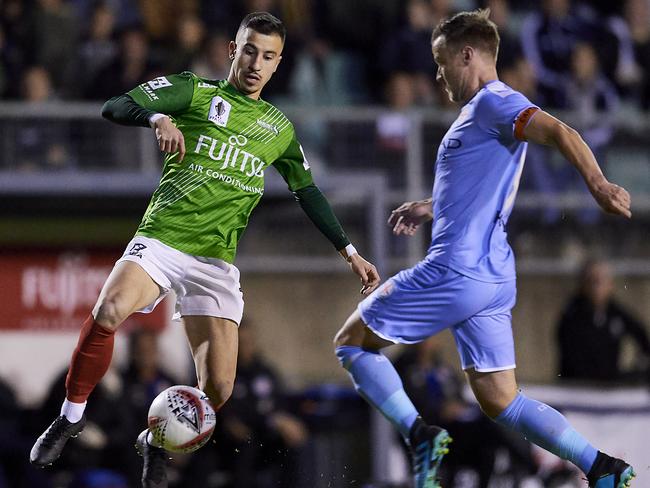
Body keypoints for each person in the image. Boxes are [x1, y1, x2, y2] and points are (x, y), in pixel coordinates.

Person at [29, 11, 380, 488]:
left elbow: (308, 192)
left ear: (278, 64)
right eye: (250, 50)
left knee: (217, 391)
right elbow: (114, 106)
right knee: (110, 307)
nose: (257, 63)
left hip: (215, 262)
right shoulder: (196, 92)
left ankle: (154, 443)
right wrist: (156, 116)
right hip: (164, 239)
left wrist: (350, 252)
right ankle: (70, 418)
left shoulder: (278, 129)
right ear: (234, 51)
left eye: (269, 56)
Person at [333, 9, 635, 488]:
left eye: (441, 62)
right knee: (501, 400)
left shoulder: (497, 102)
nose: (437, 74)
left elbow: (561, 131)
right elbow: (483, 181)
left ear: (467, 55)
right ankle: (601, 466)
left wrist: (596, 184)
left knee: (351, 344)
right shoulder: (479, 114)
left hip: (456, 269)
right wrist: (433, 206)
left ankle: (419, 436)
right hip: (492, 276)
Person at [557, 258, 650, 383]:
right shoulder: (572, 315)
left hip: (609, 383)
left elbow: (640, 333)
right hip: (579, 386)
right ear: (583, 285)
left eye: (601, 281)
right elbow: (571, 354)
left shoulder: (616, 312)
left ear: (610, 285)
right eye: (592, 281)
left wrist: (641, 362)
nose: (597, 287)